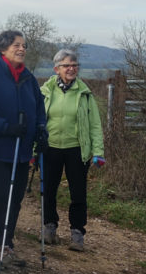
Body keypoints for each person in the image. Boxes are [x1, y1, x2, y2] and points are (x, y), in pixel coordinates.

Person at [0, 30, 47, 267]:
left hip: (22, 149)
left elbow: (39, 106)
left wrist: (41, 130)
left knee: (16, 199)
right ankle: (3, 244)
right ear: (2, 49)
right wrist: (6, 127)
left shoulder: (28, 77)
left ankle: (8, 243)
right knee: (4, 196)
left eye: (24, 45)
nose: (22, 49)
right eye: (16, 45)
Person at [40, 49, 105, 252]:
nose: (71, 69)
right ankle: (49, 227)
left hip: (77, 149)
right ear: (56, 69)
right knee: (48, 190)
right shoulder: (46, 91)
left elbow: (95, 124)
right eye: (66, 65)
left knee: (78, 194)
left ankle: (77, 233)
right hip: (50, 148)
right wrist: (34, 149)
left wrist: (98, 151)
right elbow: (38, 122)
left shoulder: (84, 93)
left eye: (74, 65)